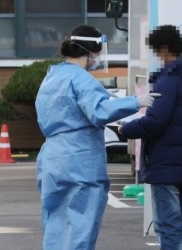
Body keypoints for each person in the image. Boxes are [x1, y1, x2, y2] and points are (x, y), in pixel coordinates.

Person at [34, 24, 159, 250]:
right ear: (92, 51)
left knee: (55, 222)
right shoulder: (82, 79)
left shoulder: (51, 77)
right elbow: (99, 110)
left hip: (52, 158)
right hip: (80, 158)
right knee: (82, 224)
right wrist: (135, 102)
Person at [119, 25, 182, 250]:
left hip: (165, 166)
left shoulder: (169, 80)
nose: (156, 56)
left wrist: (126, 129)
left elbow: (156, 122)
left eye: (156, 51)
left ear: (164, 49)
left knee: (168, 227)